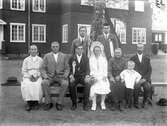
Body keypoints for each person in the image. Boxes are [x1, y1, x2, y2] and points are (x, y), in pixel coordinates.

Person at [41, 41, 70, 111]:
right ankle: (48, 102)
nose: (55, 48)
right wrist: (45, 76)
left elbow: (67, 68)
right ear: (51, 47)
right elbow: (42, 68)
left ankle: (59, 103)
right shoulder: (47, 56)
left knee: (65, 83)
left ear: (59, 47)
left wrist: (65, 75)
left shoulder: (64, 56)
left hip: (61, 76)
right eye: (53, 47)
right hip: (50, 76)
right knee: (44, 82)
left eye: (56, 46)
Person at [89, 41, 110, 111]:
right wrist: (93, 76)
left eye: (98, 50)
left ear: (101, 51)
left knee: (105, 84)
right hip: (94, 76)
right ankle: (94, 103)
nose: (97, 52)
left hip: (102, 76)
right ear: (93, 51)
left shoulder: (104, 59)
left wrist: (105, 76)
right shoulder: (91, 59)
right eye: (95, 50)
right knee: (94, 85)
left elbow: (105, 69)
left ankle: (102, 102)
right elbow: (91, 69)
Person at [21, 45, 43, 111]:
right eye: (32, 49)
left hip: (37, 76)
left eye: (35, 49)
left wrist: (37, 76)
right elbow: (23, 71)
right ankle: (29, 103)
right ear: (29, 51)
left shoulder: (40, 60)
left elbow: (42, 70)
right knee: (27, 84)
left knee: (37, 84)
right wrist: (29, 76)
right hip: (28, 76)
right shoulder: (26, 60)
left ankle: (36, 102)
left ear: (37, 51)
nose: (33, 51)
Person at [69, 44, 91, 111]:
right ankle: (74, 103)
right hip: (74, 76)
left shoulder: (86, 58)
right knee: (71, 84)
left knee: (88, 84)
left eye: (81, 49)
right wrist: (71, 76)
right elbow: (69, 69)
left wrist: (87, 76)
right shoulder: (71, 58)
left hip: (83, 76)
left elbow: (88, 69)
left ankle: (85, 104)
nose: (79, 50)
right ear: (75, 50)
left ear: (83, 50)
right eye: (78, 49)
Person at [130, 43, 152, 108]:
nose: (140, 49)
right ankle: (136, 102)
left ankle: (144, 102)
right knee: (136, 87)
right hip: (136, 79)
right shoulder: (132, 58)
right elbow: (130, 70)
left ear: (143, 48)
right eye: (138, 48)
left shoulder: (147, 58)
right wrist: (135, 79)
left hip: (144, 79)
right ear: (137, 48)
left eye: (141, 47)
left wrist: (144, 79)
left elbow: (149, 70)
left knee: (147, 87)